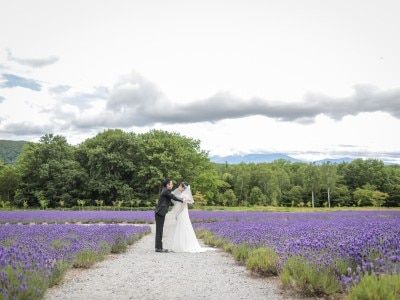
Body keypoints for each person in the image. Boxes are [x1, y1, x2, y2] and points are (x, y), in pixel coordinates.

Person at [154, 178, 184, 253]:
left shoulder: (165, 190)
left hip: (160, 213)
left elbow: (171, 198)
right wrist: (182, 200)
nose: (172, 185)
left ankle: (158, 247)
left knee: (159, 231)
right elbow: (173, 197)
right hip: (160, 213)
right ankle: (159, 248)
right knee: (159, 231)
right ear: (167, 185)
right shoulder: (166, 191)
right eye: (171, 184)